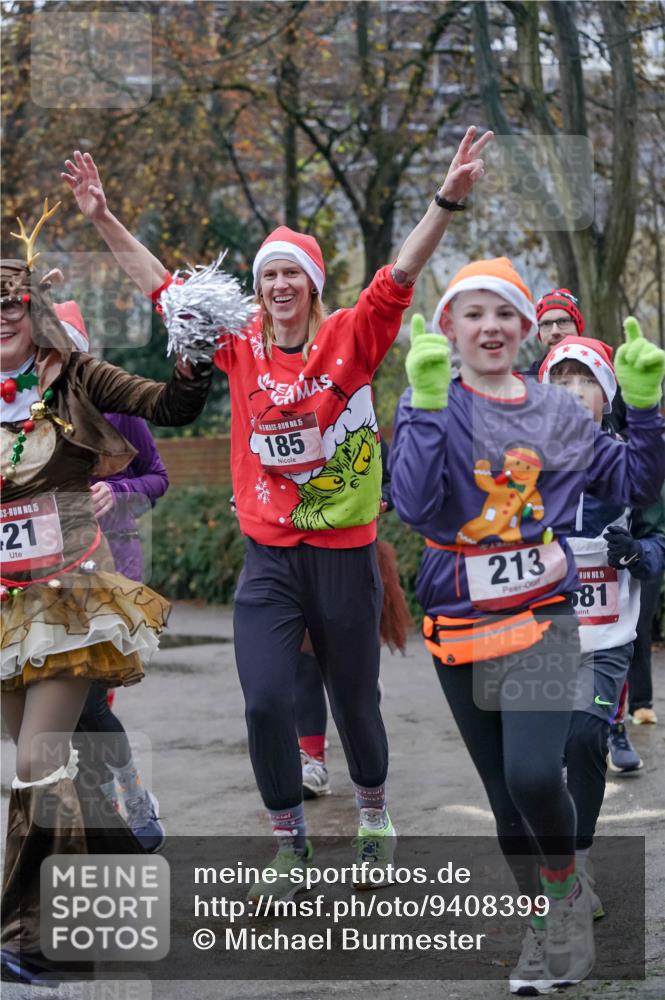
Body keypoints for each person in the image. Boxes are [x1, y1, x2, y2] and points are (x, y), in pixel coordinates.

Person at [63, 128, 493, 899]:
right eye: (269, 274)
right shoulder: (238, 343)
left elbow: (401, 272)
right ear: (257, 289)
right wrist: (102, 217)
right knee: (264, 698)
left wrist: (445, 201)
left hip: (343, 556)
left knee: (354, 700)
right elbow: (162, 286)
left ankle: (373, 818)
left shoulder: (348, 338)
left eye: (293, 271)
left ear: (313, 283)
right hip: (268, 561)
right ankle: (287, 843)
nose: (280, 284)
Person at [390, 257, 665, 994]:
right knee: (507, 807)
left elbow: (634, 485)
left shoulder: (554, 413)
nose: (489, 326)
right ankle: (546, 932)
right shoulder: (434, 402)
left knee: (535, 774)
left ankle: (564, 890)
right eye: (472, 312)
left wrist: (642, 408)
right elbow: (413, 504)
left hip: (542, 618)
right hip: (457, 627)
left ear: (524, 329)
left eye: (503, 313)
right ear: (449, 325)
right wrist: (418, 404)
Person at [0, 200, 214, 984]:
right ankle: (109, 892)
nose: (2, 320)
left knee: (37, 759)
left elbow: (171, 405)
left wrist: (191, 360)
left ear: (37, 314)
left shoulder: (76, 377)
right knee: (52, 767)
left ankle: (30, 938)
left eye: (14, 306)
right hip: (2, 603)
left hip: (70, 593)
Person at [538, 336, 665, 914]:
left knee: (585, 738)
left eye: (584, 381)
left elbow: (660, 538)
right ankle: (555, 866)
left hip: (608, 634)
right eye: (560, 381)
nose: (572, 392)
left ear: (606, 392)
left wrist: (637, 555)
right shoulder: (520, 468)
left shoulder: (633, 466)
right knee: (535, 767)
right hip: (538, 633)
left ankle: (578, 866)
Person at [76, 411, 171, 852]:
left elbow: (157, 477)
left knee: (91, 701)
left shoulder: (112, 407)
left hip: (110, 571)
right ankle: (94, 810)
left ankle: (133, 798)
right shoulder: (19, 412)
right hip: (40, 576)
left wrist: (116, 490)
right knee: (62, 705)